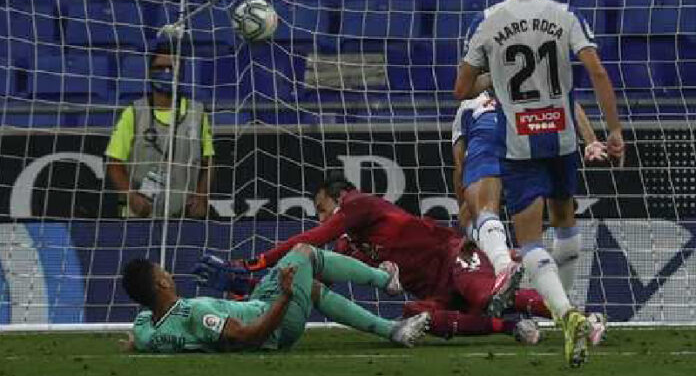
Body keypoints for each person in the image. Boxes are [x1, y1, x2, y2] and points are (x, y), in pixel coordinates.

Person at [453, 0, 624, 367]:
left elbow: (461, 90)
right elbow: (598, 71)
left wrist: (496, 78)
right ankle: (564, 316)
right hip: (565, 137)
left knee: (529, 240)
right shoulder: (564, 14)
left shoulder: (488, 21)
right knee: (565, 223)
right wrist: (613, 131)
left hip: (520, 142)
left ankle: (564, 315)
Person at [195, 173, 553, 344]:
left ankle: (568, 315)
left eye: (323, 209)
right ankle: (512, 327)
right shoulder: (350, 248)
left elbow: (311, 239)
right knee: (418, 316)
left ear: (340, 197)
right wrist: (251, 285)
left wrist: (255, 262)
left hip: (453, 255)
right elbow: (307, 281)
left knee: (481, 295)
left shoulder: (359, 204)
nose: (322, 218)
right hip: (435, 289)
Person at [451, 87, 608, 323]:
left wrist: (465, 219)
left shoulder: (466, 107)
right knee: (560, 221)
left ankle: (503, 264)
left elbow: (460, 167)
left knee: (476, 215)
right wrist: (592, 140)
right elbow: (570, 102)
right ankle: (564, 312)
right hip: (529, 138)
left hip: (489, 141)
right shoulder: (530, 87)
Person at [119, 245, 430, 353]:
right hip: (273, 323)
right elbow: (247, 336)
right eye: (164, 271)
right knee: (306, 253)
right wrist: (282, 297)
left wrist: (135, 342)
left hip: (258, 304)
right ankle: (384, 279)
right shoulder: (196, 312)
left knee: (313, 290)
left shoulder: (147, 327)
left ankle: (393, 330)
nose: (168, 272)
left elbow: (140, 336)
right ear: (161, 282)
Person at [105, 43, 214, 218]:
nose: (165, 73)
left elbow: (208, 163)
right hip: (139, 216)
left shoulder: (198, 113)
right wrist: (131, 196)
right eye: (159, 68)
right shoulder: (133, 113)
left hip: (183, 218)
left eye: (171, 68)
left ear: (181, 74)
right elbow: (114, 164)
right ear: (149, 73)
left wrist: (201, 197)